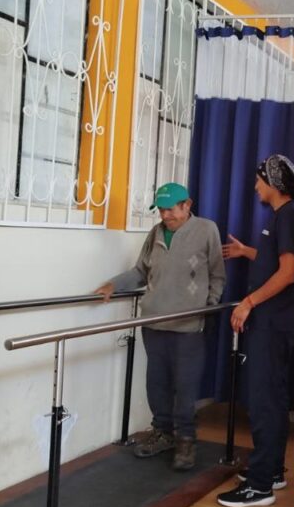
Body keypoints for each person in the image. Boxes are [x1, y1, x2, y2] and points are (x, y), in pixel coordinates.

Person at [95, 182, 225, 471]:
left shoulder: (206, 230)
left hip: (188, 325)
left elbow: (217, 274)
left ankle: (186, 440)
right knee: (156, 383)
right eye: (161, 211)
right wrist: (113, 285)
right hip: (153, 323)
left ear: (187, 205)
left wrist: (210, 304)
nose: (165, 216)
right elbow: (140, 271)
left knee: (185, 385)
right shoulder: (156, 233)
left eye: (170, 210)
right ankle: (163, 433)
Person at [216, 155, 294, 507]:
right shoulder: (285, 217)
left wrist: (248, 302)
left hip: (272, 324)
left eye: (259, 180)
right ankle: (271, 471)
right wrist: (246, 252)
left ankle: (259, 486)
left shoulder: (289, 216)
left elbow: (288, 273)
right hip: (273, 324)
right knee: (272, 398)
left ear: (274, 183)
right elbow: (276, 262)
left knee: (264, 401)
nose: (256, 186)